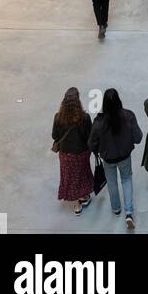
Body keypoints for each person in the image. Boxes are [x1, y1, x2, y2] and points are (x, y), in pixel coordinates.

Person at [88, 88, 142, 229]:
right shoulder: (128, 116)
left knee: (112, 183)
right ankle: (129, 212)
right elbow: (138, 138)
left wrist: (97, 150)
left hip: (108, 159)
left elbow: (91, 143)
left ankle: (116, 208)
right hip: (124, 156)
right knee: (126, 180)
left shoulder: (99, 122)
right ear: (119, 100)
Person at [52, 87, 94, 215]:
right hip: (81, 152)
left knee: (70, 177)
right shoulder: (85, 118)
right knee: (82, 174)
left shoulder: (58, 117)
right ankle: (83, 197)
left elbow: (54, 135)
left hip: (65, 154)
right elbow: (90, 136)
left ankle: (77, 204)